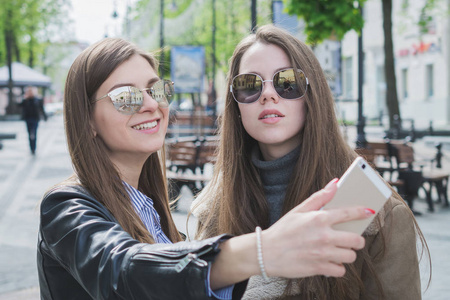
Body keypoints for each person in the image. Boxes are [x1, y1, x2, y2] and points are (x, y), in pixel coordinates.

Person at [37, 37, 374, 300]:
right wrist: (262, 250)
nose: (153, 104)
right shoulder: (67, 208)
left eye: (156, 89)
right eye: (126, 97)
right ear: (87, 120)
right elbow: (124, 271)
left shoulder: (154, 214)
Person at [192, 24, 430, 299]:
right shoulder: (212, 209)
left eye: (287, 82)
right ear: (236, 105)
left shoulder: (379, 214)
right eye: (250, 84)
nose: (269, 95)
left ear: (312, 94)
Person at [19, 86, 47, 154]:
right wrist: (22, 98)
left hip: (35, 119)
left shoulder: (38, 99)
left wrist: (45, 116)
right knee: (29, 134)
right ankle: (31, 148)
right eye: (29, 91)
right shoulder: (25, 100)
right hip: (28, 119)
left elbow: (41, 109)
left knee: (34, 133)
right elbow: (18, 105)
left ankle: (34, 148)